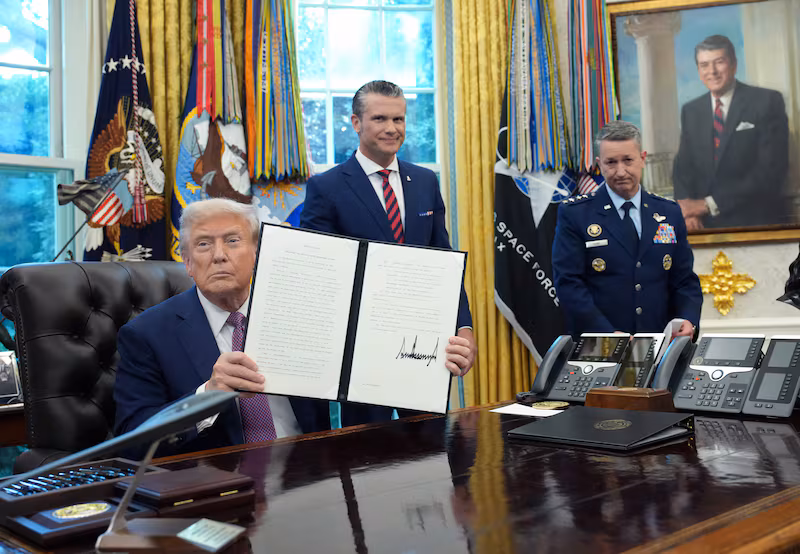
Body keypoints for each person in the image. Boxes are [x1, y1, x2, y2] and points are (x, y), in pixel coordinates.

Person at [300, 80, 476, 427]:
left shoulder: (425, 181)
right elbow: (317, 275)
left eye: (399, 119)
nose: (392, 128)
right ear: (356, 122)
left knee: (431, 444)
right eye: (380, 118)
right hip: (363, 350)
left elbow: (444, 263)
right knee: (366, 449)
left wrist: (464, 325)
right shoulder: (326, 187)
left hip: (425, 347)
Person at [114, 198, 330, 457]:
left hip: (311, 466)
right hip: (217, 476)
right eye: (203, 244)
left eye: (232, 240)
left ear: (257, 253)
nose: (219, 255)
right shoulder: (146, 334)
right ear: (188, 262)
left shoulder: (298, 315)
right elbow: (132, 442)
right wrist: (207, 397)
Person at [552, 121, 702, 338]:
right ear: (599, 164)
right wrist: (608, 335)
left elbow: (684, 280)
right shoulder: (576, 214)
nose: (620, 171)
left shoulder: (668, 212)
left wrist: (688, 319)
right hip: (601, 345)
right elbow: (569, 284)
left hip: (660, 344)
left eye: (628, 160)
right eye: (611, 162)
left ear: (642, 159)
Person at [672, 34, 790, 230]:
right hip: (703, 226)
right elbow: (682, 169)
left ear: (734, 64)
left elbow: (771, 171)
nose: (712, 71)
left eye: (719, 62)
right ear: (699, 71)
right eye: (704, 65)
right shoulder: (691, 111)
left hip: (756, 224)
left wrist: (707, 205)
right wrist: (687, 212)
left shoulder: (766, 101)